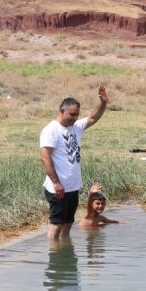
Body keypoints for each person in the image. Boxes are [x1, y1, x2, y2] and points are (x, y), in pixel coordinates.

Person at [40, 85, 109, 239]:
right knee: (56, 225)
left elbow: (93, 117)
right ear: (61, 111)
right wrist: (56, 182)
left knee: (67, 224)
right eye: (72, 114)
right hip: (57, 187)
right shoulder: (51, 130)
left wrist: (103, 103)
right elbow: (45, 157)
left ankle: (65, 257)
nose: (75, 118)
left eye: (77, 115)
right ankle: (54, 259)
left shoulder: (75, 127)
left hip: (72, 186)